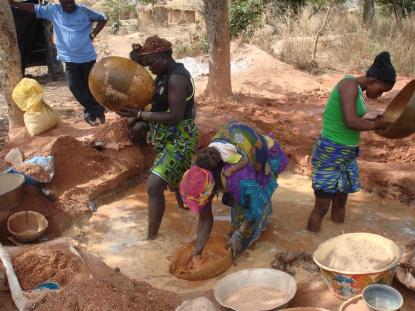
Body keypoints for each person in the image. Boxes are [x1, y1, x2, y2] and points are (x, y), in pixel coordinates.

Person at [307, 51, 396, 233]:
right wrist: (379, 125)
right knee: (322, 206)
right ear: (371, 80)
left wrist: (373, 118)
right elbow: (351, 122)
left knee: (340, 202)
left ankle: (339, 240)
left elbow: (354, 117)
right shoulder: (348, 85)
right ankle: (310, 246)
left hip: (347, 155)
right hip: (329, 153)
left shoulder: (358, 92)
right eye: (379, 90)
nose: (378, 96)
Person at [120, 36, 197, 240]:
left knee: (154, 186)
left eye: (152, 63)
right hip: (164, 137)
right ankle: (183, 204)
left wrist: (139, 115)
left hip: (181, 138)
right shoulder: (163, 73)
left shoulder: (177, 78)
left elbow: (175, 116)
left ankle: (151, 239)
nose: (150, 69)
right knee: (170, 173)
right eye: (147, 64)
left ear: (163, 56)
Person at [179, 123, 288, 259]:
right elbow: (205, 218)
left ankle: (259, 233)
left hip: (265, 153)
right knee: (239, 213)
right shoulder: (199, 174)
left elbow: (257, 204)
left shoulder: (239, 179)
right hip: (238, 147)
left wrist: (239, 234)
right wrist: (197, 252)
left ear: (211, 187)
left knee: (249, 221)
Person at [9, 0, 107, 126]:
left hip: (88, 57)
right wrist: (14, 4)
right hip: (70, 60)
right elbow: (34, 7)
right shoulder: (54, 11)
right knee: (75, 87)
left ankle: (91, 113)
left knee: (89, 87)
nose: (68, 4)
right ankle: (98, 110)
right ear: (60, 2)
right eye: (65, 3)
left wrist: (93, 34)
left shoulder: (85, 11)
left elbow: (103, 18)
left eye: (70, 2)